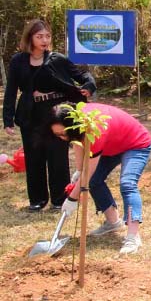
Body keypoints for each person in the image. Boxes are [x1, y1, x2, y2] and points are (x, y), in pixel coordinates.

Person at [3, 19, 96, 211]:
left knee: (57, 157)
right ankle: (37, 200)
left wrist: (88, 87)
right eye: (39, 36)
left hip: (56, 112)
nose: (44, 40)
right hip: (31, 113)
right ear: (30, 38)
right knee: (33, 156)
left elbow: (83, 76)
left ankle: (60, 199)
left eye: (47, 36)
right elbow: (11, 90)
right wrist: (8, 119)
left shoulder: (57, 59)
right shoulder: (18, 61)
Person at [50, 102, 151, 254]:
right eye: (58, 135)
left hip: (135, 144)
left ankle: (133, 236)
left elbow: (88, 172)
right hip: (111, 146)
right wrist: (79, 170)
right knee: (93, 181)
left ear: (73, 127)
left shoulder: (94, 129)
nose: (62, 138)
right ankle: (113, 222)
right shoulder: (76, 121)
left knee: (127, 184)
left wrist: (72, 199)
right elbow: (77, 142)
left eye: (63, 134)